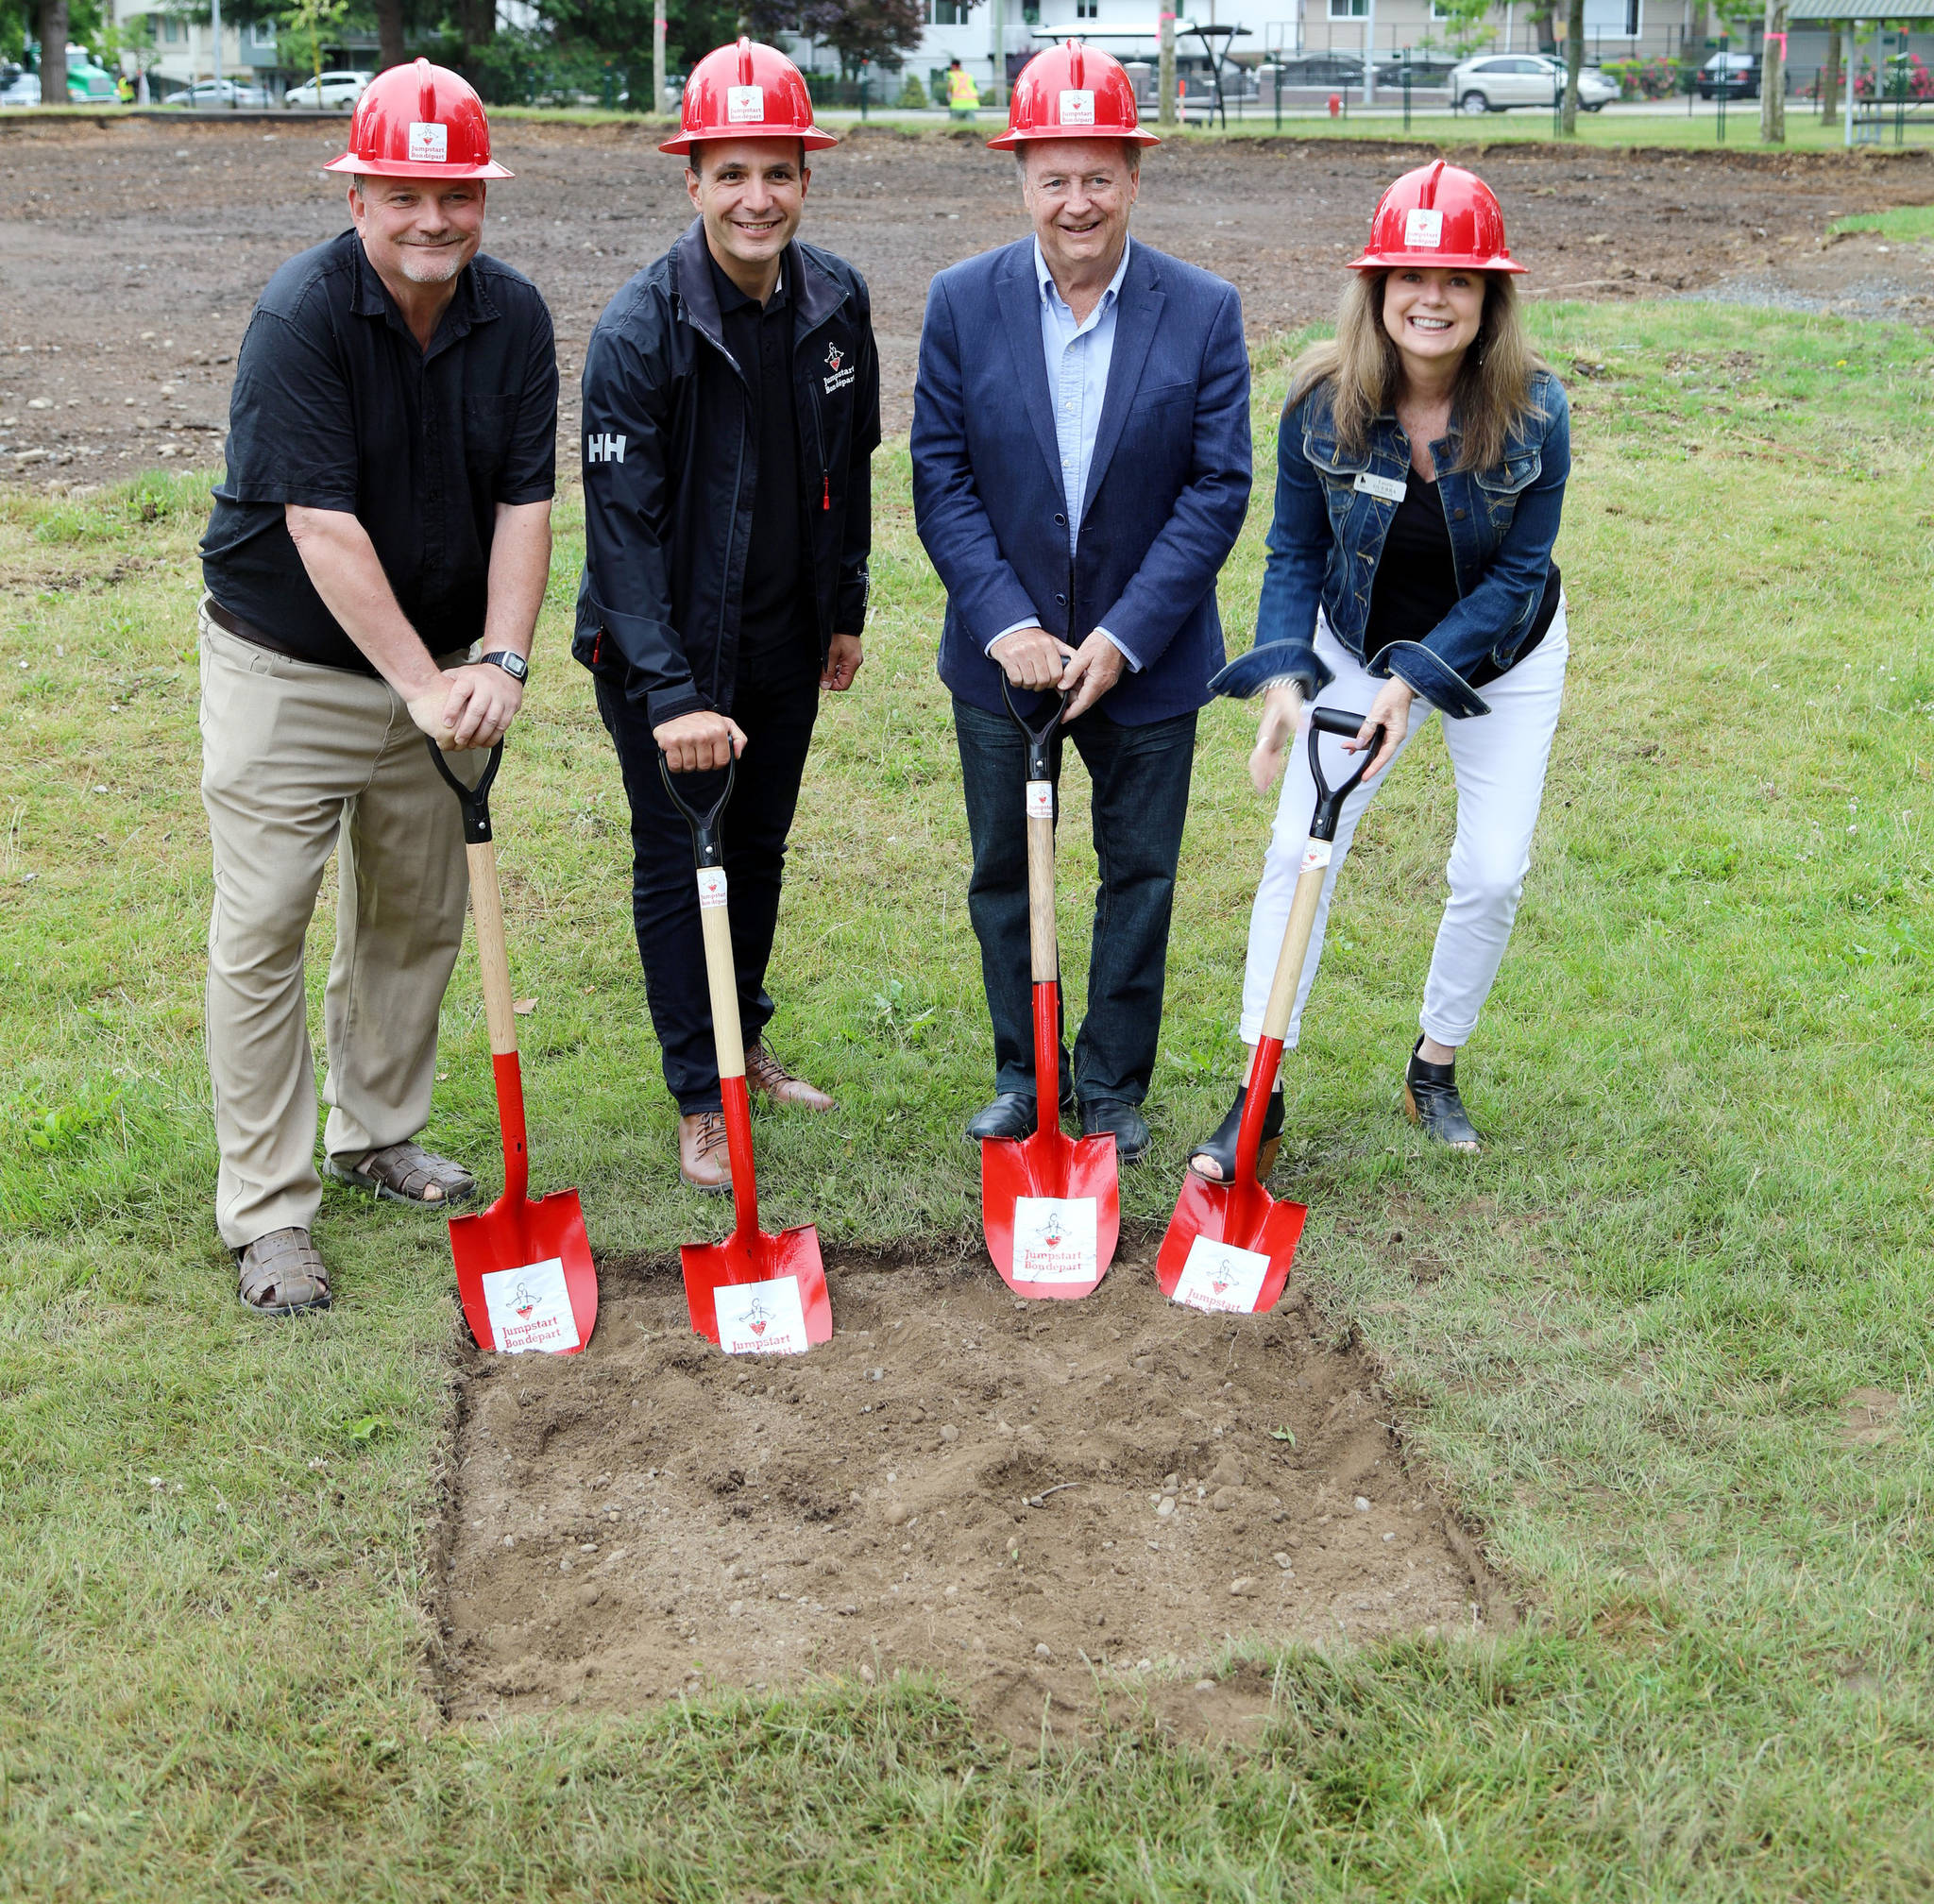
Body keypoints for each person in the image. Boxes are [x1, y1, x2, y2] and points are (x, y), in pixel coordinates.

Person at [196, 60, 556, 1315]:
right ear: (358, 197)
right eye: (404, 194)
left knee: (413, 917)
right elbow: (320, 527)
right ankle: (268, 1210)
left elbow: (526, 500)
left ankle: (378, 1132)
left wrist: (499, 661)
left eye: (455, 194)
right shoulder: (301, 317)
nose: (432, 220)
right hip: (288, 664)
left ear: (481, 198)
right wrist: (420, 684)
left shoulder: (513, 317)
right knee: (265, 931)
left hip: (443, 669)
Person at [1189, 160, 1569, 1179]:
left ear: (1489, 297)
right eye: (1409, 276)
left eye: (1456, 279)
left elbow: (1519, 574)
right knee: (1295, 851)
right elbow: (1292, 552)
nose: (1430, 298)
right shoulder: (1321, 400)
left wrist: (1416, 679)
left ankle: (1431, 1065)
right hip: (1351, 640)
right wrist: (1283, 681)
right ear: (1376, 289)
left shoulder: (1534, 410)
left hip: (1502, 650)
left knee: (1490, 872)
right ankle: (1256, 1091)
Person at [911, 41, 1251, 1164]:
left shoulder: (1201, 312)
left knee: (1137, 876)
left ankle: (1107, 1085)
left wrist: (1122, 635)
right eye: (1052, 177)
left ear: (1133, 177)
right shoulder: (962, 304)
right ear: (1019, 180)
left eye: (1097, 175)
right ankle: (1025, 1074)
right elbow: (941, 477)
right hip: (999, 658)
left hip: (1144, 660)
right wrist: (1006, 624)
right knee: (1005, 869)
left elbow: (1215, 490)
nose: (1076, 201)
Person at [574, 38, 879, 1191]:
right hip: (661, 651)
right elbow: (623, 536)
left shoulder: (838, 298)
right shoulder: (639, 330)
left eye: (779, 171)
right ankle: (699, 1094)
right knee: (678, 855)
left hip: (782, 634)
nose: (757, 197)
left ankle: (742, 1042)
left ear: (807, 177)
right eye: (731, 172)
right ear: (690, 179)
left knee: (754, 846)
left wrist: (841, 605)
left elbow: (845, 469)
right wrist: (671, 696)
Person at [945, 57, 979, 121]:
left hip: (957, 105)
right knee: (971, 127)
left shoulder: (952, 76)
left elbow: (949, 91)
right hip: (971, 105)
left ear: (952, 66)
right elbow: (976, 89)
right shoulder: (969, 76)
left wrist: (949, 100)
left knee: (953, 126)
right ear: (960, 66)